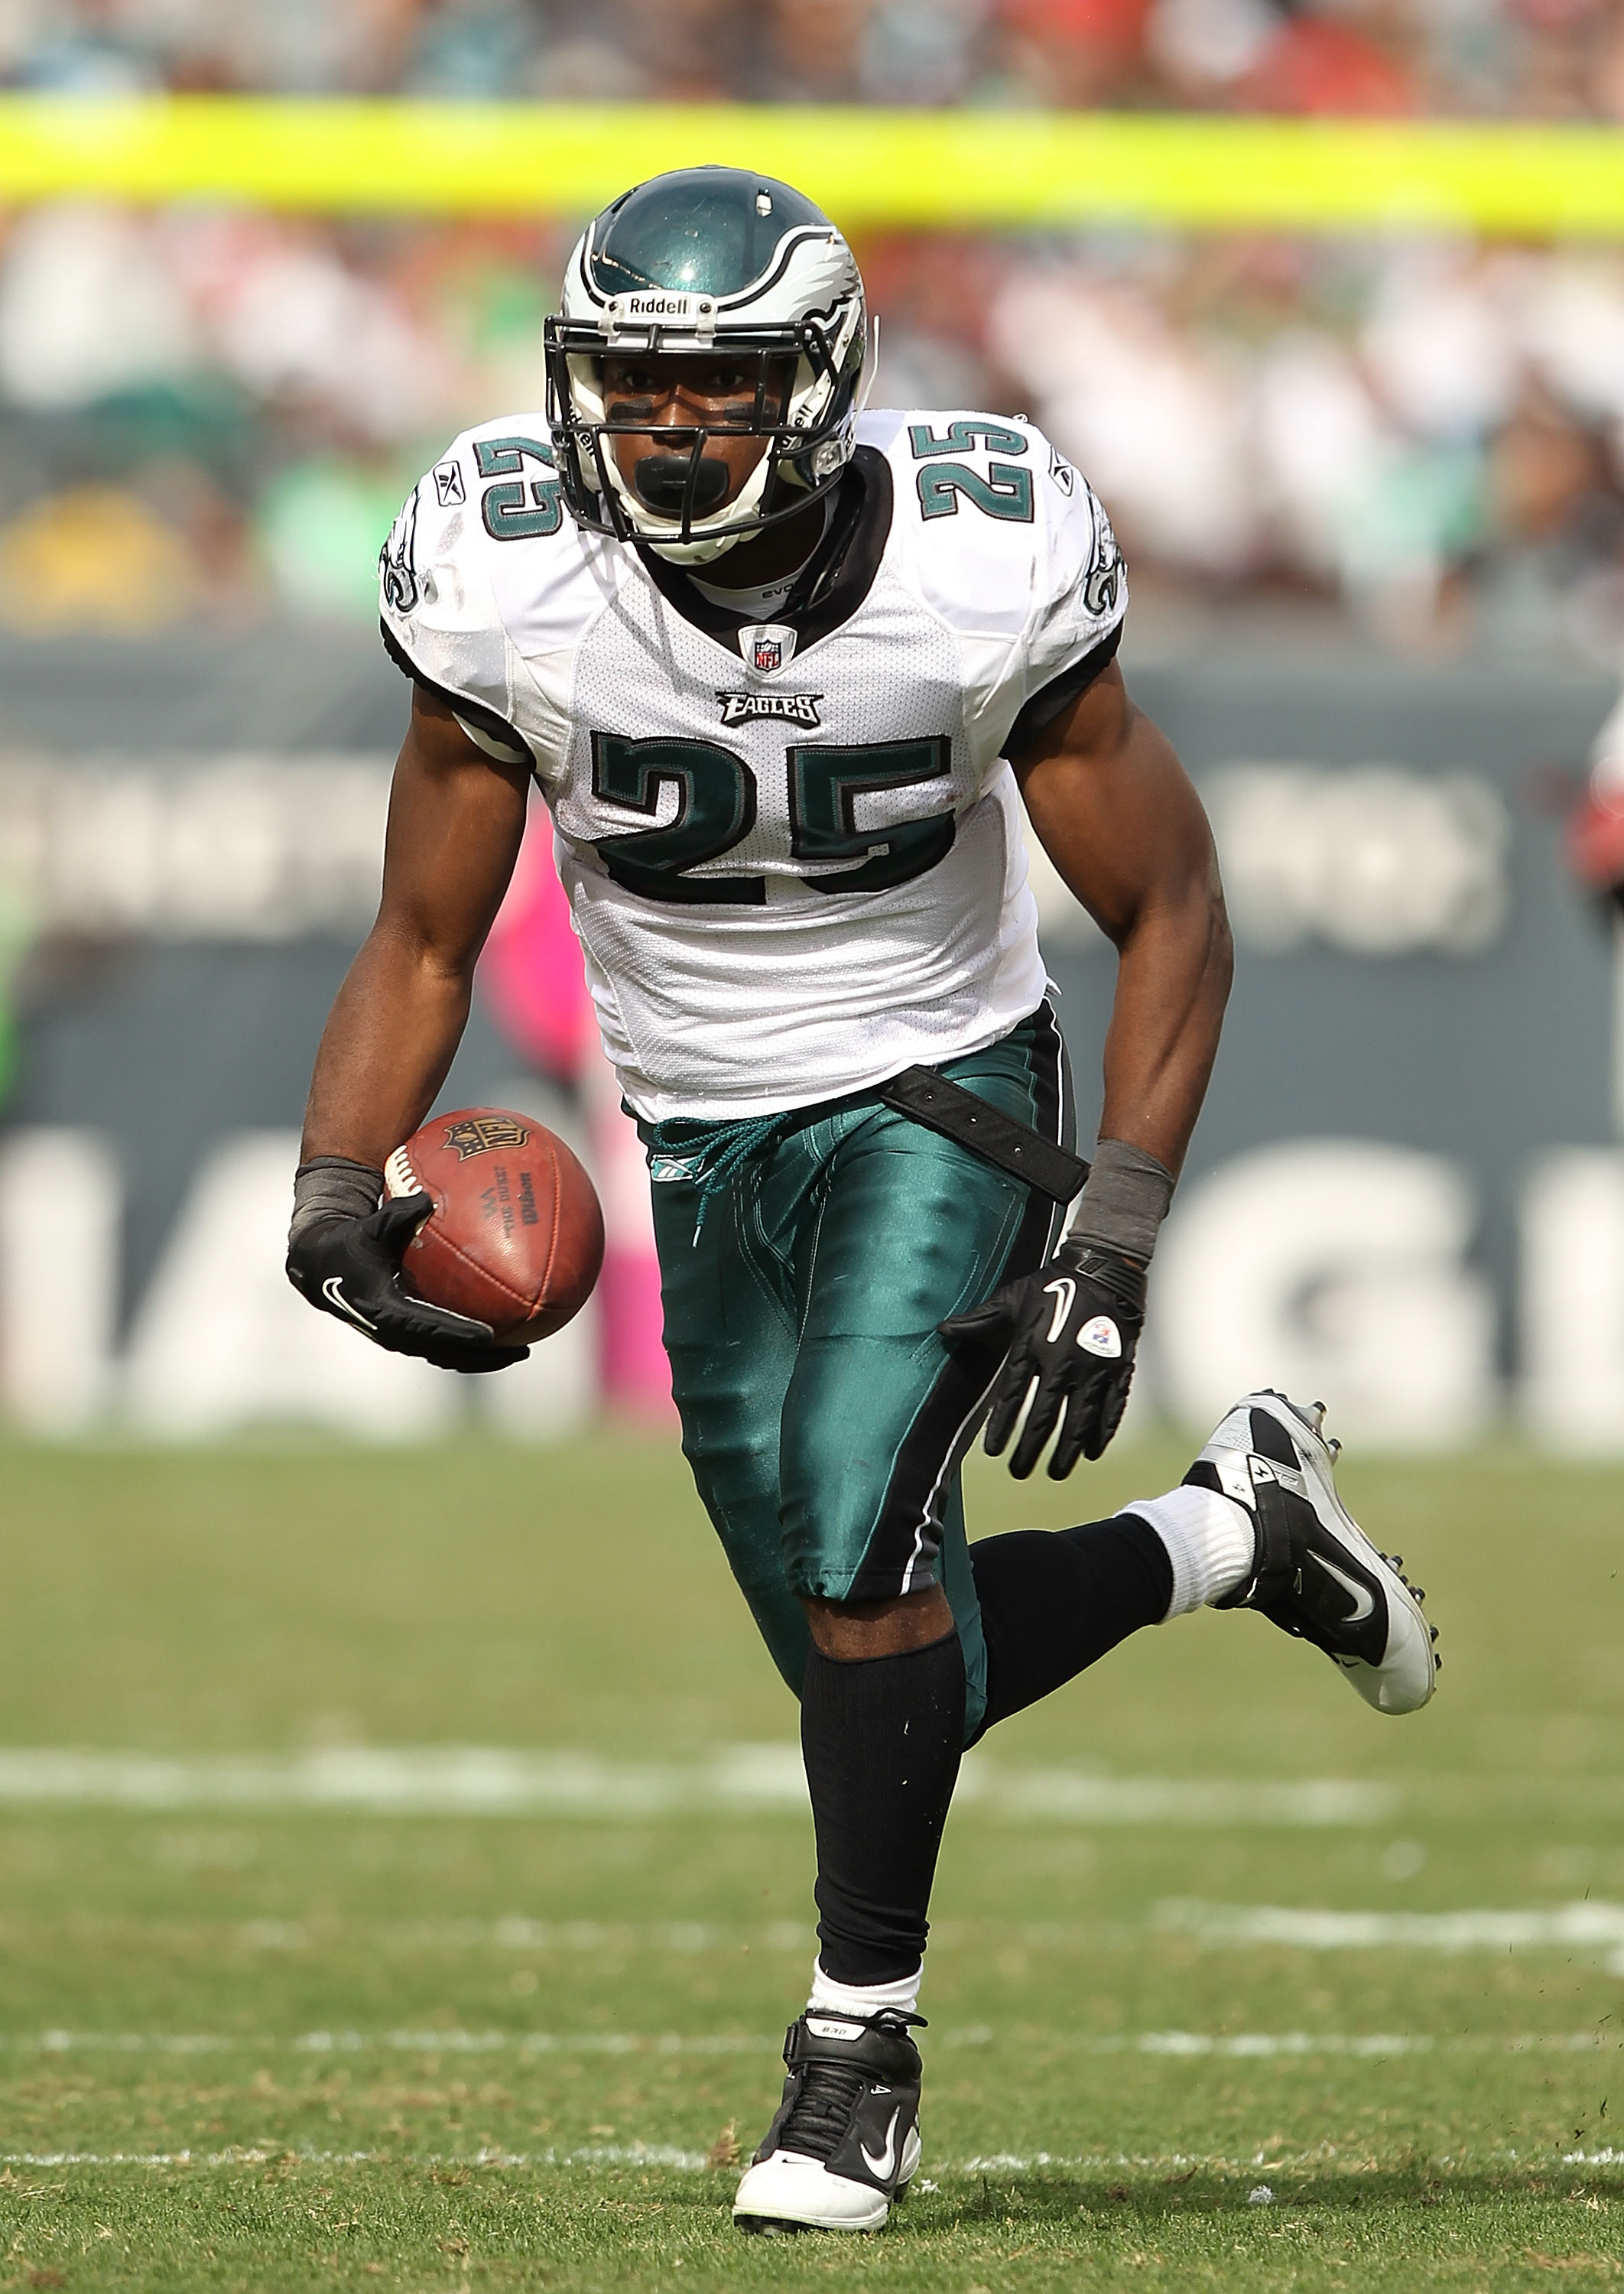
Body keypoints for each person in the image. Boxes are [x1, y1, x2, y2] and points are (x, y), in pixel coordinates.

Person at [286, 167, 1440, 2236]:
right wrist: (328, 1175)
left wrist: (1109, 1228)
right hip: (695, 1133)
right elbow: (423, 934)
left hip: (943, 1098)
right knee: (881, 1663)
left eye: (712, 391)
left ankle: (854, 2063)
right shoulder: (502, 568)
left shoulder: (980, 556)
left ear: (818, 392)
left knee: (854, 1544)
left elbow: (1166, 901)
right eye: (626, 385)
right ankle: (1227, 1530)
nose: (659, 430)